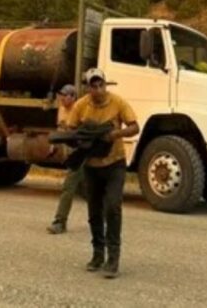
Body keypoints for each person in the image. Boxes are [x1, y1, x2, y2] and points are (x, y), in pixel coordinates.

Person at [66, 67, 139, 280]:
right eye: (93, 86)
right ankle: (98, 254)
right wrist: (82, 139)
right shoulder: (81, 106)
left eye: (101, 85)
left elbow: (135, 127)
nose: (98, 89)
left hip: (115, 164)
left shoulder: (118, 102)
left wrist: (113, 134)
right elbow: (70, 130)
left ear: (105, 84)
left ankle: (113, 258)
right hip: (91, 166)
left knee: (113, 207)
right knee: (94, 211)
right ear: (88, 88)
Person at [47, 84, 85, 234]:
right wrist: (53, 145)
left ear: (73, 97)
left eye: (65, 95)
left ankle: (60, 222)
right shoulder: (62, 109)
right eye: (61, 95)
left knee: (69, 187)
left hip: (83, 152)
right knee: (79, 188)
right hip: (72, 153)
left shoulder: (80, 110)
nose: (62, 98)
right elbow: (60, 128)